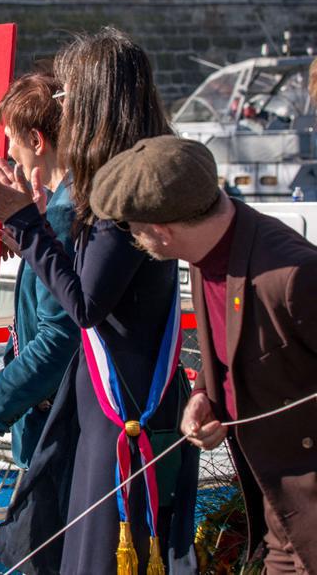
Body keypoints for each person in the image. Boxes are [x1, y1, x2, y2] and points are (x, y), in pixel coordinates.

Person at [0, 28, 199, 574]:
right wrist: (31, 232)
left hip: (121, 411)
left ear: (96, 98)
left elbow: (84, 307)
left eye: (69, 96)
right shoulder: (128, 180)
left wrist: (25, 222)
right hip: (126, 402)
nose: (62, 108)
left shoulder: (118, 191)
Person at [89, 135, 317, 574]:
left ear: (160, 232)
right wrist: (205, 395)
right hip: (278, 519)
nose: (132, 240)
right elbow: (232, 354)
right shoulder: (207, 252)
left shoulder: (293, 276)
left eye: (131, 229)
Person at [0, 72, 79, 470]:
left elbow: (58, 335)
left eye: (12, 137)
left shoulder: (66, 214)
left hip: (58, 432)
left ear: (36, 140)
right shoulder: (63, 207)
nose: (9, 151)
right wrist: (28, 236)